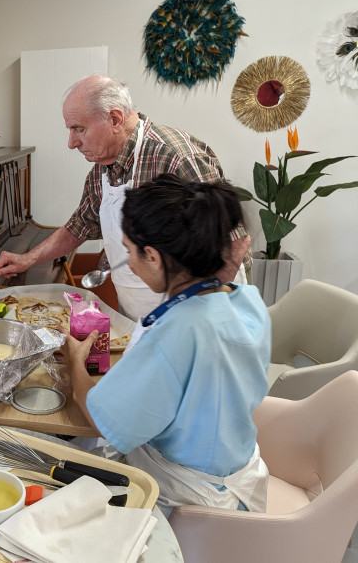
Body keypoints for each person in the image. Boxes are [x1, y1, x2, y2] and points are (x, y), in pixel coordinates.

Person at [61, 174, 270, 517]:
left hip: (192, 501)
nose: (128, 263)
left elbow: (103, 421)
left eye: (129, 252)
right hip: (241, 470)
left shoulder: (171, 334)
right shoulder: (248, 301)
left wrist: (75, 364)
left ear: (154, 256)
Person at [0, 74, 250, 320]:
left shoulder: (177, 157)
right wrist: (28, 259)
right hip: (137, 308)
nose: (71, 143)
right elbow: (79, 226)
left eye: (79, 129)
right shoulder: (102, 167)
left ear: (115, 119)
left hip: (198, 313)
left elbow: (235, 243)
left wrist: (192, 319)